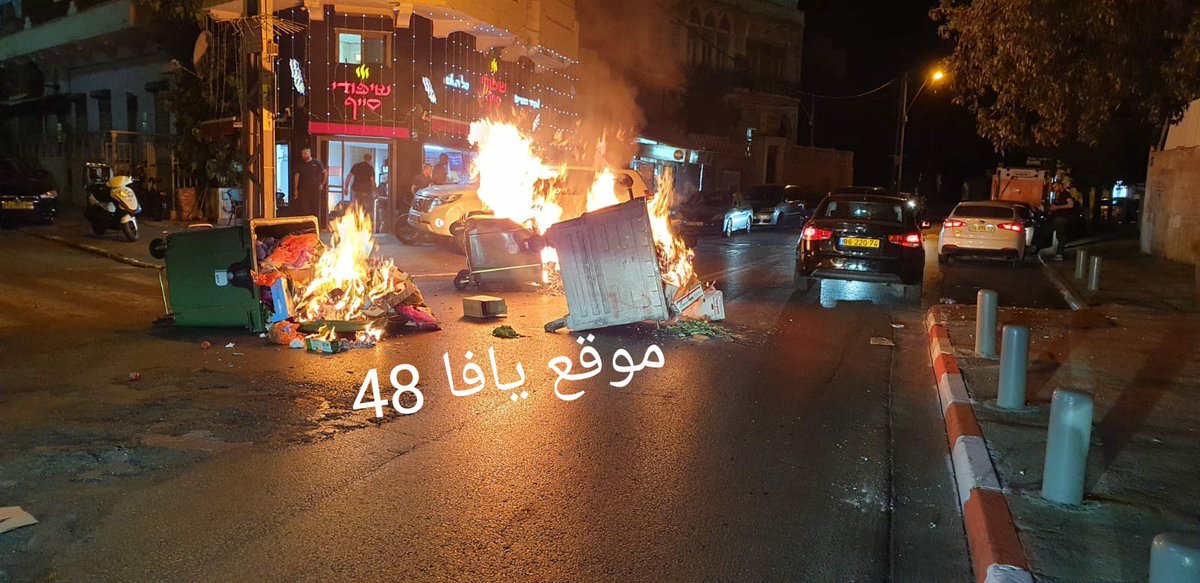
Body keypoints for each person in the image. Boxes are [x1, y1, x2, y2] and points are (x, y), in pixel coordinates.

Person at [291, 147, 327, 222]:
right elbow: (296, 176)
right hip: (304, 191)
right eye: (302, 154)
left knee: (316, 209)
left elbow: (325, 173)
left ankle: (316, 226)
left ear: (309, 153)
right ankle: (307, 226)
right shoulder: (300, 165)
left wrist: (322, 184)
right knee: (305, 209)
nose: (303, 155)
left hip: (315, 190)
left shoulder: (317, 162)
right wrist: (295, 189)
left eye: (305, 153)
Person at [1045, 182, 1077, 260]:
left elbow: (1071, 204)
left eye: (1056, 187)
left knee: (1047, 230)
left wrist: (1057, 207)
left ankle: (1036, 246)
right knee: (1060, 236)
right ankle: (1060, 254)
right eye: (1054, 187)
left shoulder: (1065, 194)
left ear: (1060, 186)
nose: (1055, 189)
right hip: (1061, 217)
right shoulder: (1060, 195)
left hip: (1062, 218)